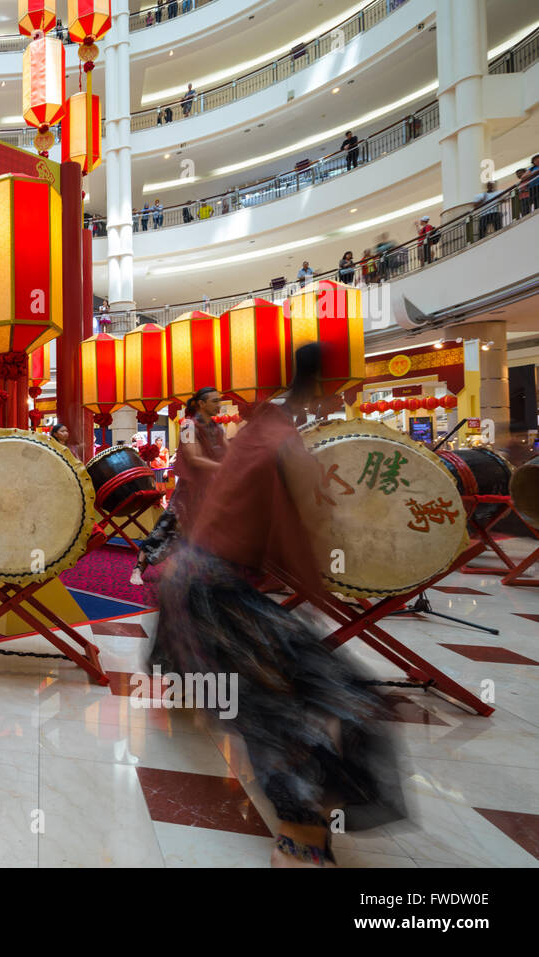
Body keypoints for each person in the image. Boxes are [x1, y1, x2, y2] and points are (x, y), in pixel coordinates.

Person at [152, 344, 406, 866]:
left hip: (205, 579)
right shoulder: (276, 439)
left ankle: (319, 804)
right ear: (324, 391)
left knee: (334, 695)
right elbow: (306, 527)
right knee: (274, 710)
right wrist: (325, 584)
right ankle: (299, 836)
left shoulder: (261, 428)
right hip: (208, 586)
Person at [130, 386, 227, 586]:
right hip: (190, 492)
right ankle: (137, 570)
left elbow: (229, 451)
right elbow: (193, 458)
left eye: (219, 400)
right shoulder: (187, 427)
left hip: (212, 490)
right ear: (201, 403)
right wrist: (225, 466)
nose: (219, 404)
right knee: (166, 530)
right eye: (214, 401)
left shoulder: (218, 429)